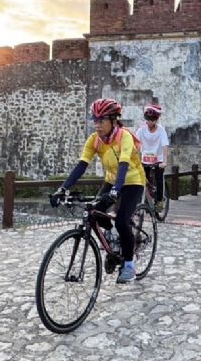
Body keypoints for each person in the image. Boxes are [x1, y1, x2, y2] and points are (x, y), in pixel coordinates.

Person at [51, 98, 145, 284]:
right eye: (95, 120)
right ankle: (111, 237)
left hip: (133, 181)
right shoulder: (94, 140)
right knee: (95, 211)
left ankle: (128, 265)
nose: (97, 125)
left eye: (101, 120)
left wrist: (117, 190)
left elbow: (124, 164)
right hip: (112, 180)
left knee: (121, 221)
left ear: (113, 120)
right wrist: (62, 189)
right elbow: (81, 166)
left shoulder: (124, 136)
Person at [136, 104, 169, 213]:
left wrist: (164, 161)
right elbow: (135, 145)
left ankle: (160, 201)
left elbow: (165, 146)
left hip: (158, 160)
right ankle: (142, 200)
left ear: (157, 119)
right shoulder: (141, 130)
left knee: (159, 179)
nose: (151, 122)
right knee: (140, 180)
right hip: (145, 160)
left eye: (153, 119)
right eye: (149, 119)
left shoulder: (161, 130)